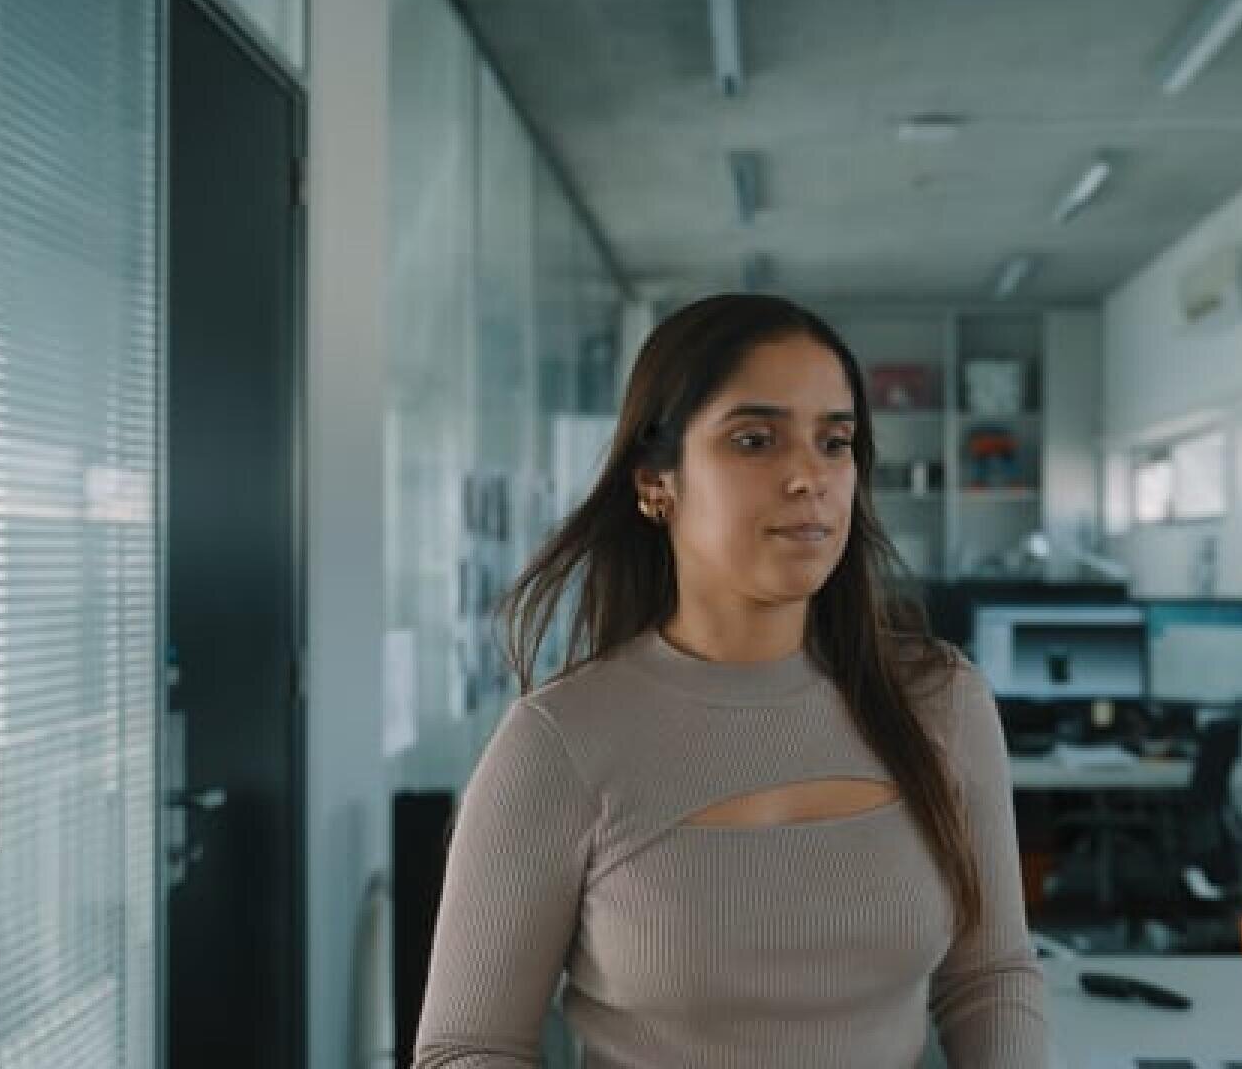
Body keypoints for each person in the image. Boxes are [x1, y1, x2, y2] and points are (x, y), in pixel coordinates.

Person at [415, 294, 1048, 1067]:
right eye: (755, 440)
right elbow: (467, 1047)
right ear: (657, 482)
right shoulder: (561, 741)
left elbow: (990, 974)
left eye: (835, 442)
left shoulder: (940, 700)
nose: (809, 477)